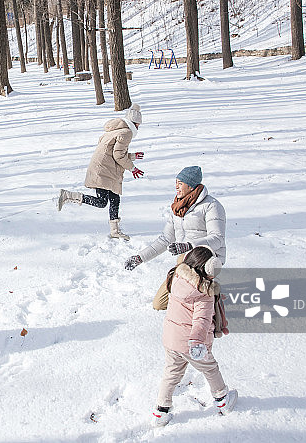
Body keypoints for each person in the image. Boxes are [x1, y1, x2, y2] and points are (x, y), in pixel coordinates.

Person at [152, 246, 237, 426]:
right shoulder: (203, 293)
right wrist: (197, 342)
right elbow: (201, 321)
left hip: (171, 338)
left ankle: (161, 412)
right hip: (191, 343)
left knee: (171, 373)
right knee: (210, 368)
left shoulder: (177, 276)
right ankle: (222, 399)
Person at [124, 166, 226, 308]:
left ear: (190, 186)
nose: (176, 186)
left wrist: (189, 245)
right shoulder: (177, 208)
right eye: (176, 182)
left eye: (180, 183)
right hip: (184, 262)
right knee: (159, 304)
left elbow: (217, 239)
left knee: (193, 307)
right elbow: (165, 239)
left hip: (204, 262)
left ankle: (210, 305)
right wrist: (140, 257)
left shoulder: (212, 206)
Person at [57, 104, 145, 240]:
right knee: (102, 202)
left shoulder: (114, 131)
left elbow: (113, 153)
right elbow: (118, 156)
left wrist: (132, 156)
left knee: (114, 199)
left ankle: (115, 231)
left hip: (102, 168)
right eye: (139, 124)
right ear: (135, 123)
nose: (139, 127)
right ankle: (68, 195)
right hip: (104, 171)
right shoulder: (126, 133)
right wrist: (133, 168)